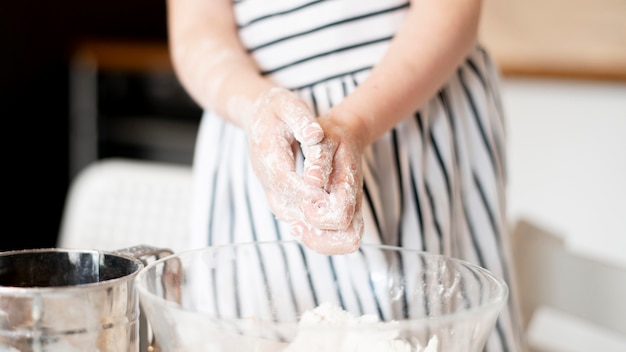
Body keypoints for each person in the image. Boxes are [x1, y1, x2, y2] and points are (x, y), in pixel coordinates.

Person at [167, 0, 525, 350]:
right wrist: (255, 106)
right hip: (262, 130)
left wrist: (355, 122)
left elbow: (450, 9)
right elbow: (197, 28)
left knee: (435, 325)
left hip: (410, 108)